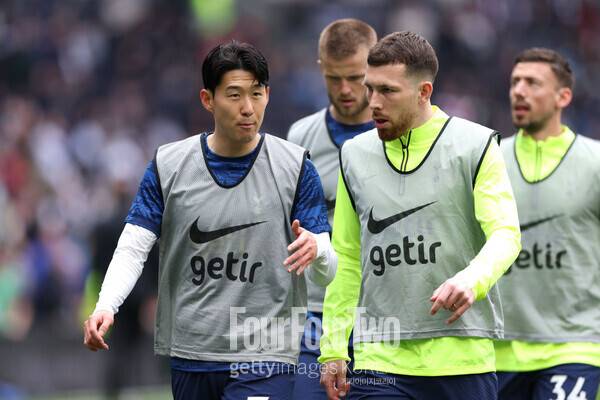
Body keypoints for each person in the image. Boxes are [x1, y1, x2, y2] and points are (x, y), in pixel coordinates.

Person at [83, 40, 338, 400]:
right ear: (208, 99)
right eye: (234, 95)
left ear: (267, 95)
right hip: (192, 352)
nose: (248, 107)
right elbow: (133, 247)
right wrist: (106, 305)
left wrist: (318, 251)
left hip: (266, 355)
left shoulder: (296, 167)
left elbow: (327, 270)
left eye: (256, 93)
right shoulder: (168, 166)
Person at [318, 31, 521, 400]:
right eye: (370, 88)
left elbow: (506, 234)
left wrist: (471, 280)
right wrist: (333, 346)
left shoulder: (474, 146)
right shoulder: (354, 155)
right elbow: (346, 256)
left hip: (462, 360)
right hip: (380, 360)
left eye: (388, 91)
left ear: (424, 91)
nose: (373, 102)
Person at [495, 48, 600, 400]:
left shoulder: (595, 163)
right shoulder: (487, 160)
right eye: (515, 82)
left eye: (532, 83)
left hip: (575, 345)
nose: (519, 91)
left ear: (563, 97)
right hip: (498, 350)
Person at [287, 18, 376, 399]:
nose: (345, 89)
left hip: (379, 313)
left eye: (356, 77)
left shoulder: (396, 134)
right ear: (321, 67)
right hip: (317, 311)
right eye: (334, 78)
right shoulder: (300, 137)